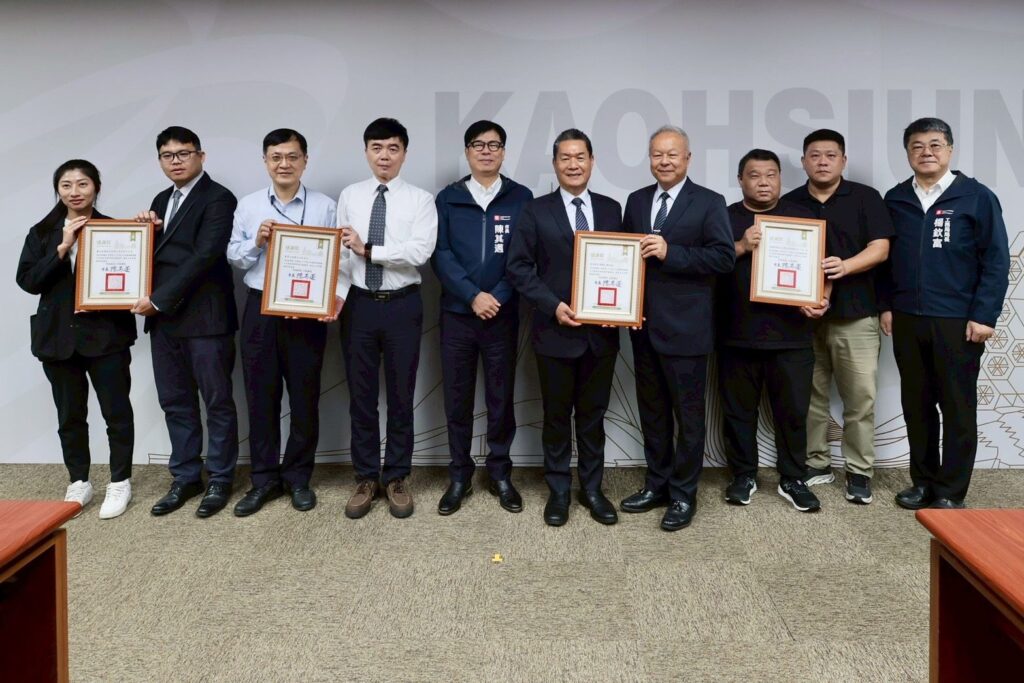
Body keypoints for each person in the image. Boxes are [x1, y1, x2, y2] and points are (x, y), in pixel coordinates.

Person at [882, 117, 1009, 509]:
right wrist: (886, 305)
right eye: (917, 146)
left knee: (956, 406)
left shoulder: (976, 196)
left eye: (935, 145)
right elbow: (885, 259)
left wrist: (984, 315)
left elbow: (996, 260)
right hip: (907, 317)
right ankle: (923, 483)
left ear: (950, 150)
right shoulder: (895, 198)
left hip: (957, 320)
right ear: (907, 153)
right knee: (916, 405)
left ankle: (951, 491)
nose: (927, 152)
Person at [619, 126, 734, 531]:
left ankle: (684, 494)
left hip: (687, 329)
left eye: (672, 154)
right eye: (657, 154)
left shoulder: (709, 202)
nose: (664, 161)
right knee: (652, 413)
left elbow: (723, 258)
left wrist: (672, 253)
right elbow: (623, 259)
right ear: (649, 158)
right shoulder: (636, 201)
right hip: (643, 326)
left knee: (688, 417)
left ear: (687, 158)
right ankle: (657, 485)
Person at [506, 128, 623, 527]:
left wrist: (619, 307)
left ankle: (592, 489)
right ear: (555, 164)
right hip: (554, 332)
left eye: (580, 157)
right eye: (565, 158)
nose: (573, 164)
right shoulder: (535, 211)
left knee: (593, 417)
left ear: (592, 161)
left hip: (601, 335)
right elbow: (519, 268)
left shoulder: (612, 209)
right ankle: (558, 490)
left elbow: (625, 266)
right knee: (556, 416)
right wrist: (553, 305)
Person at [227, 128, 338, 516]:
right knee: (261, 397)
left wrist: (326, 301)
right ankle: (263, 480)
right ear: (265, 162)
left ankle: (298, 477)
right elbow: (235, 257)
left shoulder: (325, 206)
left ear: (305, 160)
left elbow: (338, 261)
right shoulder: (249, 205)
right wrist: (256, 241)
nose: (284, 164)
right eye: (276, 157)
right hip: (260, 310)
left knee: (305, 397)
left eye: (292, 156)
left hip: (307, 313)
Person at [17, 160, 136, 519]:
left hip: (106, 337)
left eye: (82, 184)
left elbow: (133, 278)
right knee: (69, 415)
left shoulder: (117, 231)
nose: (74, 192)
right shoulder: (42, 232)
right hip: (58, 338)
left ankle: (120, 481)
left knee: (116, 412)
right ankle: (79, 480)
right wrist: (62, 247)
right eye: (66, 185)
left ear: (96, 187)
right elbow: (28, 281)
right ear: (58, 190)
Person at [133, 126, 240, 518]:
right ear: (160, 160)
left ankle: (220, 478)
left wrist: (158, 300)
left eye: (183, 153)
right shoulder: (161, 200)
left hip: (206, 320)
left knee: (217, 402)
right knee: (175, 402)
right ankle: (185, 476)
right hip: (165, 323)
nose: (176, 161)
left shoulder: (220, 198)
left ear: (201, 156)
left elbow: (205, 255)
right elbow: (156, 256)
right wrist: (144, 232)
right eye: (168, 155)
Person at [783, 129, 893, 505]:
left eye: (831, 155)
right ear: (804, 162)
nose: (823, 162)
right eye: (815, 155)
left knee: (859, 398)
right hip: (802, 318)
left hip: (856, 315)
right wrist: (796, 299)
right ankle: (816, 462)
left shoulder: (866, 198)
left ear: (843, 160)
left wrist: (844, 267)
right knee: (809, 396)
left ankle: (859, 471)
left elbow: (880, 248)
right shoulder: (789, 203)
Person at [717, 149, 829, 512]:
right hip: (736, 333)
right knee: (738, 413)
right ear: (740, 180)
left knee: (793, 412)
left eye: (771, 175)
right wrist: (741, 245)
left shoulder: (804, 217)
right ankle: (743, 475)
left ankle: (793, 477)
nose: (763, 183)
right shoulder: (724, 217)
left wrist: (822, 298)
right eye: (754, 176)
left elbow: (823, 269)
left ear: (780, 178)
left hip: (792, 335)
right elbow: (707, 265)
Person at [336, 118, 438, 519]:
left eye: (393, 148)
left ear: (404, 154)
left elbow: (419, 252)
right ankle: (365, 477)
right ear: (366, 152)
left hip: (402, 305)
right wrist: (334, 300)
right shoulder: (350, 195)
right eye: (377, 148)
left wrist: (369, 250)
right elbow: (340, 255)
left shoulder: (421, 200)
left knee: (400, 395)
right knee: (361, 397)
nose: (384, 156)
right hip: (358, 305)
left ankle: (396, 476)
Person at [432, 120, 533, 515]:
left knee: (500, 397)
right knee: (457, 398)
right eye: (478, 144)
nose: (486, 151)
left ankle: (500, 474)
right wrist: (472, 296)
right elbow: (441, 253)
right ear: (467, 151)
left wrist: (497, 298)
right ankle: (459, 475)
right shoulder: (448, 198)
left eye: (494, 145)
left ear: (503, 152)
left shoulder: (520, 197)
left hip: (502, 316)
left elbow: (523, 256)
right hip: (458, 315)